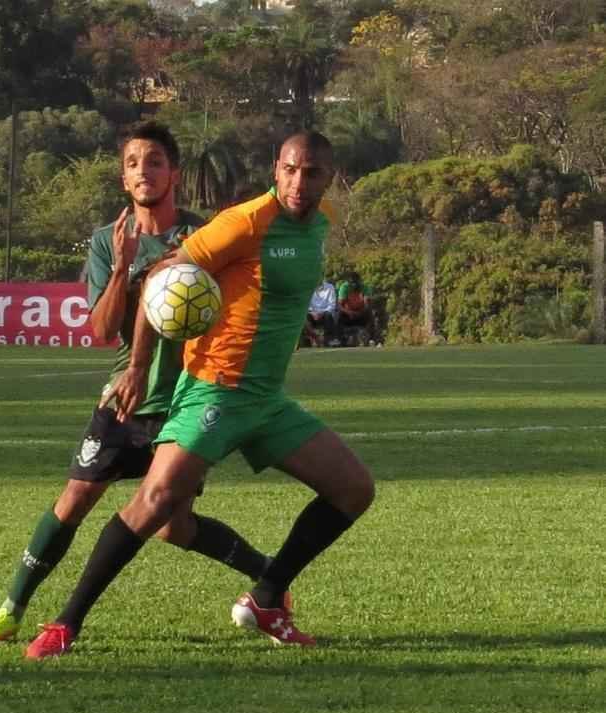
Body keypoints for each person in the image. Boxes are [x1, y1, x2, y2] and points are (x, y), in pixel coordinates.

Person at [25, 131, 375, 659]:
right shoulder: (245, 221)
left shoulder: (319, 224)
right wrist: (138, 367)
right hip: (215, 389)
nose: (298, 183)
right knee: (156, 503)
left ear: (329, 177)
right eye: (289, 170)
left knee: (353, 489)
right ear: (275, 170)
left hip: (267, 400)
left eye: (312, 173)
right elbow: (161, 278)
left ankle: (265, 598)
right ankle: (64, 624)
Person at [0, 122, 278, 649]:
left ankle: (270, 574)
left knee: (175, 527)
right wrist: (124, 267)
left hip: (185, 400)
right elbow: (103, 329)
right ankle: (11, 608)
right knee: (75, 497)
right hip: (126, 397)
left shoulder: (204, 236)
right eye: (132, 163)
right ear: (123, 178)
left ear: (172, 172)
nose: (143, 172)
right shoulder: (110, 240)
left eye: (153, 161)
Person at [337, 272, 380, 345]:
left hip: (361, 312)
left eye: (356, 282)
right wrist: (349, 312)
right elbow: (339, 305)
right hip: (348, 314)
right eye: (352, 283)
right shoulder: (344, 287)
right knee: (338, 315)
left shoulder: (365, 287)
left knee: (370, 313)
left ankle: (372, 339)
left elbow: (367, 304)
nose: (354, 285)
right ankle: (339, 339)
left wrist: (360, 312)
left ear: (359, 281)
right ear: (348, 282)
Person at [305, 277, 338, 347]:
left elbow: (332, 305)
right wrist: (313, 313)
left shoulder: (330, 287)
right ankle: (313, 338)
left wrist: (321, 313)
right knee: (304, 317)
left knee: (328, 315)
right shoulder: (308, 287)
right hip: (312, 314)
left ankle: (329, 340)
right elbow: (307, 305)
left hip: (325, 313)